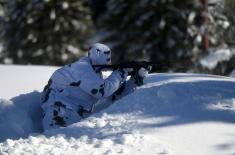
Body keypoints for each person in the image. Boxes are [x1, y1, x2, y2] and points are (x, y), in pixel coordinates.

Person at [40, 43, 148, 130]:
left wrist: (135, 79)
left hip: (71, 117)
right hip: (58, 115)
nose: (107, 65)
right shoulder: (81, 68)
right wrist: (121, 73)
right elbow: (103, 91)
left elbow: (112, 96)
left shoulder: (93, 75)